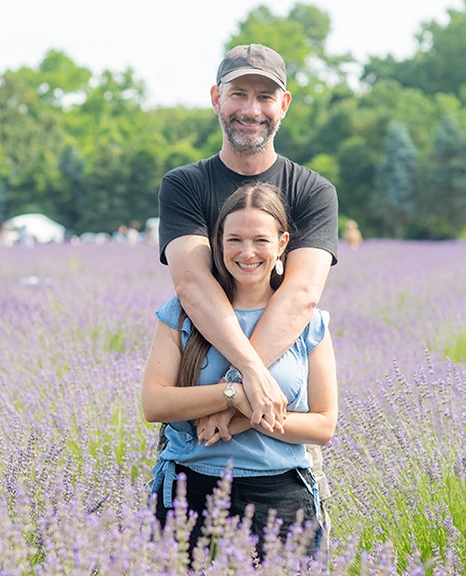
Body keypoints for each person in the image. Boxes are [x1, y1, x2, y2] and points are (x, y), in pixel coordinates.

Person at [156, 43, 339, 533]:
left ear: (284, 105)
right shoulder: (185, 185)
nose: (251, 109)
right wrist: (249, 380)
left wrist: (235, 404)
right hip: (196, 452)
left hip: (277, 459)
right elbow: (192, 286)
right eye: (239, 94)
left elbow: (301, 296)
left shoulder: (312, 191)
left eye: (265, 96)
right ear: (217, 98)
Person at [143, 182, 339, 559]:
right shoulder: (183, 312)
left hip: (281, 497)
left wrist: (247, 417)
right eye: (234, 239)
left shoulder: (309, 323)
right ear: (218, 243)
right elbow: (154, 404)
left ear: (283, 243)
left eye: (260, 240)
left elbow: (323, 425)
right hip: (189, 490)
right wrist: (234, 394)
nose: (247, 252)